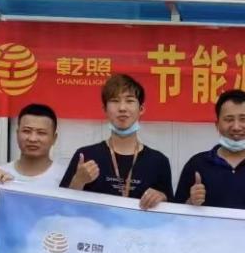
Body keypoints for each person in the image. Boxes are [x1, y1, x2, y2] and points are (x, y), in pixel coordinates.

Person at [59, 74, 172, 208]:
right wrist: (78, 181)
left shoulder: (159, 161)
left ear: (141, 109)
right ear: (105, 109)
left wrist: (162, 198)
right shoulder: (86, 156)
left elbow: (173, 213)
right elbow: (61, 207)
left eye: (129, 101)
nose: (122, 108)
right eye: (115, 101)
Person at [175, 89, 245, 220]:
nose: (236, 127)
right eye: (229, 119)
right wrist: (190, 202)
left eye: (243, 119)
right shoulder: (197, 163)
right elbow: (174, 214)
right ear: (217, 125)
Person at [0, 103, 66, 188]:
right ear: (17, 134)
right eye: (26, 131)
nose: (32, 139)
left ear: (54, 138)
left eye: (41, 133)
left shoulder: (65, 177)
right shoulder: (0, 176)